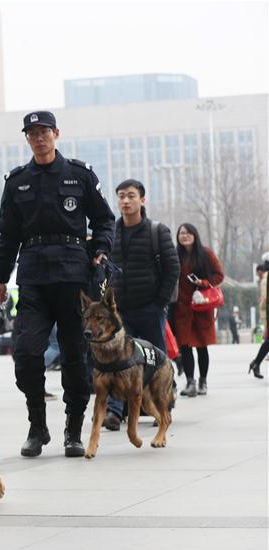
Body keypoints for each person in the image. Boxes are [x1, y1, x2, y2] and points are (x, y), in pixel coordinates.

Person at [0, 111, 115, 458]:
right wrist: (1, 278)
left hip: (74, 277)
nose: (39, 138)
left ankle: (73, 431)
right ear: (27, 138)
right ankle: (38, 426)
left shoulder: (79, 175)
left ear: (56, 134)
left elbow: (105, 219)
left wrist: (102, 251)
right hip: (33, 278)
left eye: (44, 131)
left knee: (75, 357)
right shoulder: (16, 182)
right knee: (27, 354)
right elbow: (8, 234)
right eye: (32, 133)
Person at [102, 179, 180, 431]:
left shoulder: (157, 231)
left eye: (131, 196)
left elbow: (172, 268)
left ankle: (162, 405)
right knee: (117, 360)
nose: (125, 201)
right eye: (121, 196)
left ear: (142, 200)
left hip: (150, 308)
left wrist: (159, 302)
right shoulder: (111, 233)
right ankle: (114, 411)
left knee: (156, 359)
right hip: (121, 312)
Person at [171, 223, 224, 397]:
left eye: (188, 233)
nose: (184, 236)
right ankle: (190, 382)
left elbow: (219, 275)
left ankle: (203, 381)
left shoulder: (205, 253)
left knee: (202, 346)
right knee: (185, 346)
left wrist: (203, 283)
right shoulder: (174, 255)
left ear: (195, 235)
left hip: (202, 306)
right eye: (181, 233)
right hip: (181, 307)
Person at [248, 261, 268, 378]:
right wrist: (262, 306)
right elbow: (265, 298)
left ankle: (256, 363)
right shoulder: (265, 280)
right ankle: (256, 363)